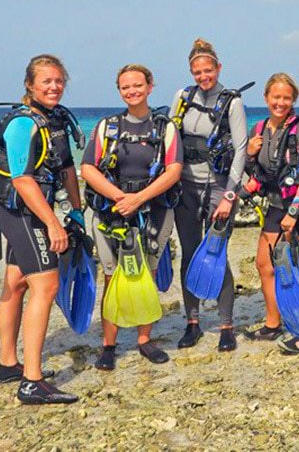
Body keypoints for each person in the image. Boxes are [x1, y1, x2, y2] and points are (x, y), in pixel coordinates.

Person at [0, 54, 82, 404]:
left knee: (15, 283)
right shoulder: (22, 124)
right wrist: (53, 222)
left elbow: (68, 168)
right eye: (46, 81)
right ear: (30, 84)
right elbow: (22, 178)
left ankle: (8, 364)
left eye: (59, 80)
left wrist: (76, 210)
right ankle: (32, 381)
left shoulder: (56, 119)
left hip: (34, 211)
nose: (54, 86)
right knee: (47, 285)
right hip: (22, 212)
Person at [81, 64, 182, 370]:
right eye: (126, 87)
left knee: (146, 276)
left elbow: (174, 170)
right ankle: (108, 344)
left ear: (150, 87)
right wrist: (118, 197)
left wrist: (139, 198)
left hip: (153, 210)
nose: (132, 91)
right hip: (111, 212)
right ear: (119, 91)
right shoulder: (107, 127)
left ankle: (144, 339)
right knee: (112, 277)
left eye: (138, 85)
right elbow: (88, 169)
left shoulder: (165, 127)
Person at [170, 38, 248, 352]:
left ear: (219, 68)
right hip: (186, 187)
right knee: (189, 255)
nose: (204, 76)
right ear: (191, 72)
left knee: (216, 253)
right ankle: (192, 323)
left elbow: (241, 149)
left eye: (209, 70)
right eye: (198, 72)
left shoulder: (233, 102)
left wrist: (230, 195)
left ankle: (226, 325)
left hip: (219, 188)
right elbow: (171, 137)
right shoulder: (182, 97)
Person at [242, 73, 299, 353]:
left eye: (286, 98)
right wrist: (250, 154)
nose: (280, 102)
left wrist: (294, 211)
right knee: (264, 265)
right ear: (266, 98)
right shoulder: (260, 128)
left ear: (293, 100)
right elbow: (258, 175)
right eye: (275, 97)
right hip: (276, 206)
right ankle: (273, 323)